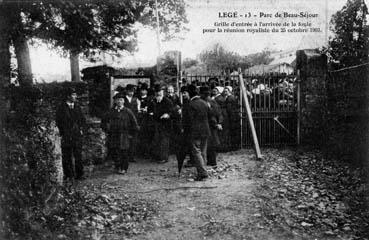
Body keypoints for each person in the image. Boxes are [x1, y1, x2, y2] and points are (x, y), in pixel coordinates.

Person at [101, 92, 140, 174]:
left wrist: (131, 135)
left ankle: (124, 168)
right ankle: (117, 166)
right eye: (117, 100)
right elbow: (103, 121)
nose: (119, 102)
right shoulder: (111, 111)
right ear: (115, 101)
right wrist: (107, 130)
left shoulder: (128, 111)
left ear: (124, 101)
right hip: (114, 135)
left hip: (124, 135)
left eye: (121, 100)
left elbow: (134, 124)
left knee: (124, 152)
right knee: (115, 151)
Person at [56, 87, 87, 181]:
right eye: (73, 95)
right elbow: (58, 122)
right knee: (67, 155)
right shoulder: (61, 108)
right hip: (66, 135)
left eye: (75, 94)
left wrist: (81, 129)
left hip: (77, 135)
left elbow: (82, 120)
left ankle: (80, 174)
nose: (75, 96)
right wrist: (62, 133)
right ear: (68, 96)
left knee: (78, 155)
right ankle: (69, 175)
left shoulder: (77, 107)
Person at [183, 84, 210, 181]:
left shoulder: (190, 105)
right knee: (203, 152)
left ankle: (202, 173)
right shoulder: (204, 102)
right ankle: (204, 170)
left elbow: (188, 120)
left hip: (195, 132)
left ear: (190, 94)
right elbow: (209, 116)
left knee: (196, 152)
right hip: (205, 131)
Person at [148, 84, 174, 163]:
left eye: (159, 92)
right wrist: (150, 113)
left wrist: (167, 114)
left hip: (165, 124)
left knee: (164, 141)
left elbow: (172, 112)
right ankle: (157, 156)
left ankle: (164, 157)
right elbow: (149, 110)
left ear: (162, 92)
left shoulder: (167, 101)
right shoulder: (153, 101)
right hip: (156, 123)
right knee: (156, 140)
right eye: (157, 93)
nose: (158, 94)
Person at [200, 86, 223, 167]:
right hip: (211, 125)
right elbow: (218, 113)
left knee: (210, 144)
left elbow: (213, 114)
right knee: (210, 144)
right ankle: (211, 161)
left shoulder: (208, 102)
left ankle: (212, 161)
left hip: (210, 125)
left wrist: (216, 124)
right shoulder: (212, 101)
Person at [124, 84, 141, 162]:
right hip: (125, 121)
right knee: (125, 139)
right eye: (130, 91)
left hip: (134, 121)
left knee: (134, 139)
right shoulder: (123, 99)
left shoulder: (136, 100)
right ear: (126, 91)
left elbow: (137, 110)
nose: (131, 93)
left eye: (133, 91)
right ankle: (126, 156)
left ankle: (132, 156)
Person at [224, 86, 240, 150]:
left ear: (229, 91)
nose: (225, 92)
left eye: (226, 91)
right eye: (224, 91)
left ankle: (234, 146)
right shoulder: (231, 97)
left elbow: (229, 109)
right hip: (234, 116)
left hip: (232, 117)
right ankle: (235, 145)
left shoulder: (230, 98)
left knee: (233, 131)